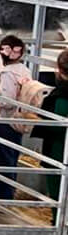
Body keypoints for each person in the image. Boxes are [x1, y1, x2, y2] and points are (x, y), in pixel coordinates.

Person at [0, 35, 29, 201]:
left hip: (3, 121)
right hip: (17, 121)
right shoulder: (23, 70)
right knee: (10, 158)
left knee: (0, 159)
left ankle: (1, 196)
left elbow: (6, 101)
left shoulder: (8, 73)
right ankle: (5, 193)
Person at [34, 50, 68, 213]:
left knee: (58, 195)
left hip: (59, 151)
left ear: (59, 70)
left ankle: (60, 230)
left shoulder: (61, 96)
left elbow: (58, 126)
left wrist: (32, 117)